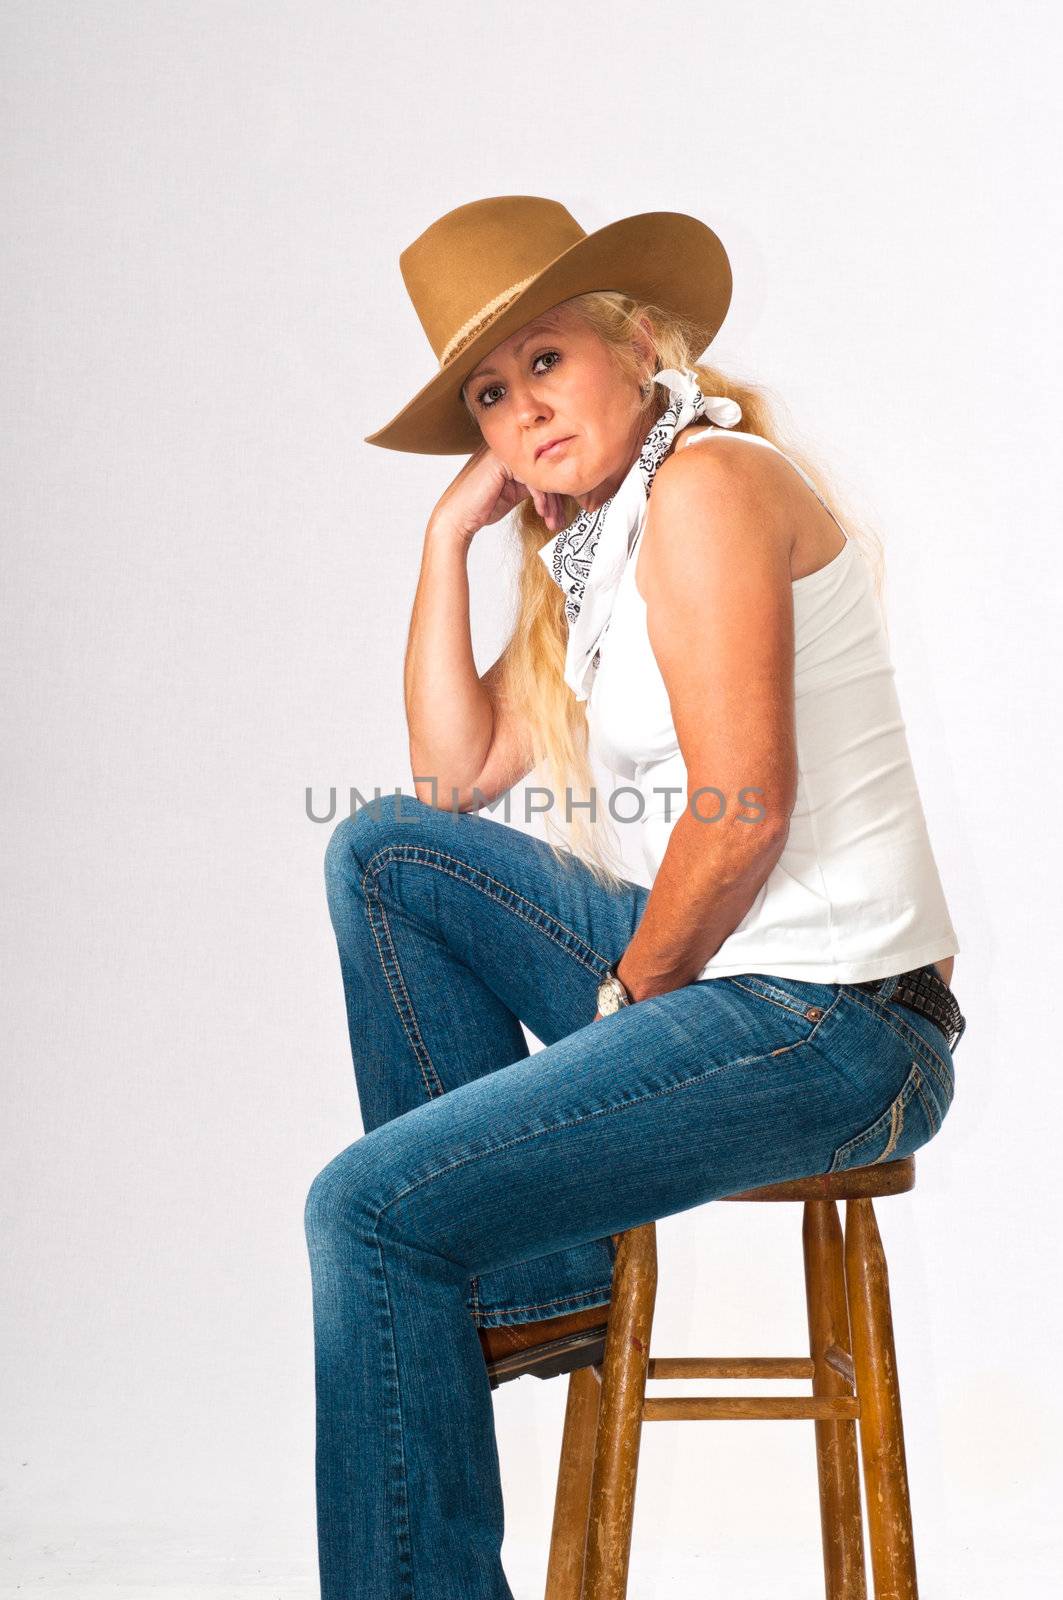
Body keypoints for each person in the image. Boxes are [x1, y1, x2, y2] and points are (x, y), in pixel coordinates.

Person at [304, 195, 966, 1599]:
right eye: (491, 395)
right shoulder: (594, 554)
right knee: (384, 856)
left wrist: (624, 1004)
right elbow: (453, 775)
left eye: (546, 363)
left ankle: (493, 1264)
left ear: (640, 343)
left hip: (835, 1027)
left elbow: (744, 811)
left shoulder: (712, 487)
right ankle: (540, 1278)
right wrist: (447, 537)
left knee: (373, 1208)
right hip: (729, 985)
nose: (525, 412)